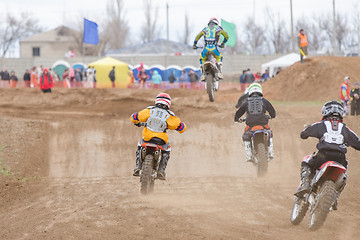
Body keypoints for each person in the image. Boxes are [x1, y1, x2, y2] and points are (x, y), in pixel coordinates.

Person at [294, 100, 360, 199]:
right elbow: (358, 144)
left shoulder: (321, 124)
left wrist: (307, 129)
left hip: (323, 156)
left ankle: (305, 185)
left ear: (325, 111)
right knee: (343, 175)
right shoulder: (345, 129)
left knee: (306, 162)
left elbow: (304, 134)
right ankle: (335, 197)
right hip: (340, 159)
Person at [130, 93, 187, 180]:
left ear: (156, 101)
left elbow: (134, 117)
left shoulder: (149, 110)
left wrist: (137, 122)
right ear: (168, 104)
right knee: (167, 150)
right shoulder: (170, 115)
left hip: (147, 138)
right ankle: (161, 171)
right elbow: (182, 128)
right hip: (161, 141)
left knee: (139, 145)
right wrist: (180, 126)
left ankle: (138, 167)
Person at [234, 83, 276, 161]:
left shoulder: (246, 101)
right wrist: (271, 116)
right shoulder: (264, 100)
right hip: (263, 124)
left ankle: (249, 155)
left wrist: (236, 119)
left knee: (246, 136)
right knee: (269, 133)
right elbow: (272, 112)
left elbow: (239, 112)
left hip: (251, 125)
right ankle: (270, 152)